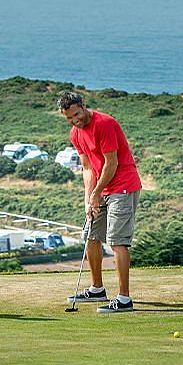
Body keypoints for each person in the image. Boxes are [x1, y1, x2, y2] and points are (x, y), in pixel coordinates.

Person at [58, 91, 142, 313]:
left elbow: (110, 163)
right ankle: (97, 289)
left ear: (84, 106)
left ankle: (124, 299)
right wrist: (89, 199)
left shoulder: (104, 123)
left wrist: (97, 193)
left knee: (117, 241)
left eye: (77, 114)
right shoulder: (75, 134)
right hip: (101, 188)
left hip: (123, 185)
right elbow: (87, 168)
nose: (75, 120)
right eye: (69, 118)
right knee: (90, 236)